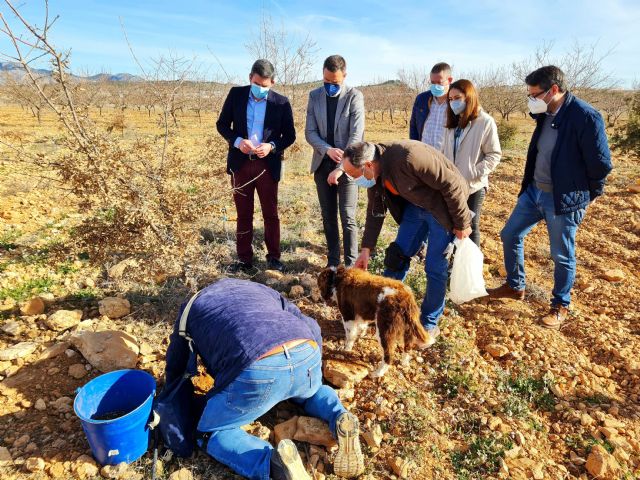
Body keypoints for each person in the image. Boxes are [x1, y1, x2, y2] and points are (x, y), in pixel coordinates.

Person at [165, 279, 365, 480]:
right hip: (305, 349)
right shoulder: (259, 289)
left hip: (256, 368)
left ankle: (272, 464)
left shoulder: (191, 306)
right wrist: (313, 368)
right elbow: (311, 324)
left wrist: (170, 393)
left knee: (210, 432)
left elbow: (177, 360)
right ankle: (339, 416)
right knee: (312, 391)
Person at [488, 65, 612, 329]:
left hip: (562, 198)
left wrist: (588, 194)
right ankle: (515, 285)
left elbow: (600, 164)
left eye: (535, 94)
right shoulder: (545, 113)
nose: (531, 99)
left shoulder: (585, 117)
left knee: (561, 254)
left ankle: (559, 305)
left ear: (554, 90)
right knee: (510, 234)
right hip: (534, 191)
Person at [344, 141, 472, 340]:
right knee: (396, 257)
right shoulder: (375, 176)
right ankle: (386, 310)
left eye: (354, 175)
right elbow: (375, 212)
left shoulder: (409, 158)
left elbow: (452, 184)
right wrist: (366, 249)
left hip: (441, 207)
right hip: (415, 207)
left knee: (435, 267)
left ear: (368, 165)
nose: (354, 180)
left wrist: (462, 223)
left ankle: (428, 323)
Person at [217, 59, 296, 274]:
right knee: (244, 214)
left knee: (270, 214)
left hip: (266, 166)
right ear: (250, 77)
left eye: (265, 85)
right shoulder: (236, 95)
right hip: (241, 164)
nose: (260, 89)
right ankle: (244, 259)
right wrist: (237, 141)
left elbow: (290, 136)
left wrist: (271, 146)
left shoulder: (281, 103)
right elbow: (222, 124)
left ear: (273, 82)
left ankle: (274, 257)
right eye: (256, 84)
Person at [305, 55, 365, 267]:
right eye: (326, 81)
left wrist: (341, 166)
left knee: (347, 217)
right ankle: (332, 262)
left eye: (335, 82)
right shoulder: (314, 96)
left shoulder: (354, 97)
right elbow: (310, 132)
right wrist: (327, 149)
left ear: (344, 76)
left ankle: (350, 266)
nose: (330, 86)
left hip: (348, 165)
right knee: (328, 216)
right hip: (322, 163)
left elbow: (356, 137)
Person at [442, 79, 501, 246]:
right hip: (451, 185)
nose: (453, 102)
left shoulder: (484, 122)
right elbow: (443, 153)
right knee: (452, 224)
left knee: (470, 226)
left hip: (473, 186)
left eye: (457, 97)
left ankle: (471, 267)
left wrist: (473, 173)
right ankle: (453, 264)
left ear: (469, 97)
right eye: (451, 99)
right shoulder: (451, 124)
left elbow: (494, 155)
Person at [410, 62, 454, 150]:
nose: (435, 86)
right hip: (424, 154)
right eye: (433, 82)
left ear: (449, 80)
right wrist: (414, 149)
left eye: (439, 82)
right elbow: (413, 126)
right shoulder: (421, 99)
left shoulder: (457, 101)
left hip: (446, 157)